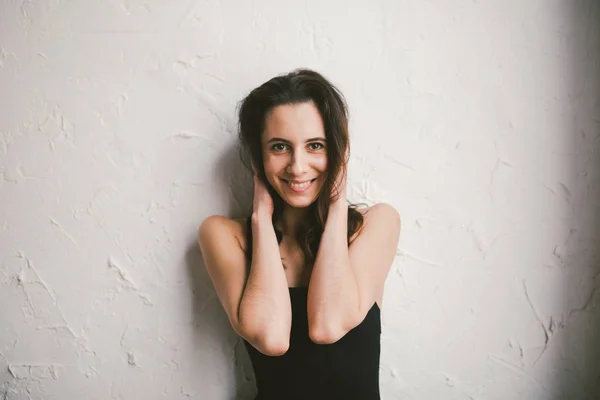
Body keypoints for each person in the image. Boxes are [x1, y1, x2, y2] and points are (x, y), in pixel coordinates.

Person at [198, 68, 401, 399]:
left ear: (338, 149)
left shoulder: (375, 225)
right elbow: (271, 338)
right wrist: (261, 219)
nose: (298, 166)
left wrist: (336, 207)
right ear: (257, 155)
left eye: (315, 145)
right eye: (279, 147)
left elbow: (327, 326)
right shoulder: (223, 235)